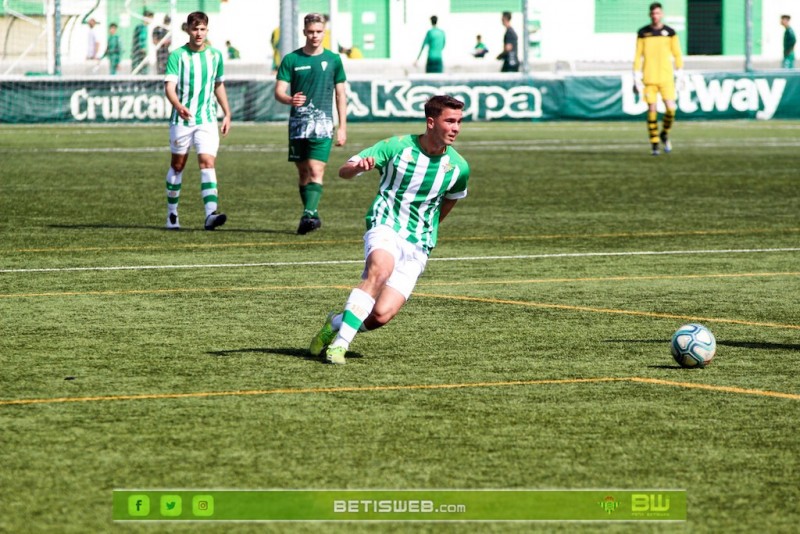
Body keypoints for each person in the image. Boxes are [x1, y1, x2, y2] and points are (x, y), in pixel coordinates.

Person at [309, 95, 470, 365]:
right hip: (386, 224)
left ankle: (335, 323)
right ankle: (340, 345)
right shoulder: (397, 146)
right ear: (431, 122)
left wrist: (427, 230)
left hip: (418, 243)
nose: (456, 128)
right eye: (450, 121)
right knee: (379, 271)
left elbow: (451, 200)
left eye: (459, 122)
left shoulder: (458, 167)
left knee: (381, 315)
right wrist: (358, 167)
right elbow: (343, 171)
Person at [274, 12, 347, 235]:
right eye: (311, 32)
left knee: (316, 168)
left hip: (323, 124)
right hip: (298, 125)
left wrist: (342, 126)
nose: (315, 36)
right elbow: (279, 92)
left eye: (319, 32)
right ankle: (311, 214)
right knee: (303, 171)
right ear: (304, 32)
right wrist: (289, 99)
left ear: (324, 32)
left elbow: (340, 94)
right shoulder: (291, 59)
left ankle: (309, 214)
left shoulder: (334, 60)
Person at [163, 11, 231, 231]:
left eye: (202, 29)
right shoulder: (177, 56)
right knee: (178, 165)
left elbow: (218, 84)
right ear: (188, 30)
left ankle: (210, 214)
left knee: (207, 163)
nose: (199, 33)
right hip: (181, 120)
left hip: (207, 120)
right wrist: (178, 105)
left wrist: (227, 113)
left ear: (207, 30)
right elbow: (169, 87)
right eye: (195, 29)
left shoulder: (216, 56)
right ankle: (172, 214)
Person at [633, 2, 683, 156]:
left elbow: (677, 54)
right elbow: (638, 56)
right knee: (652, 110)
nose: (655, 16)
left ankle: (664, 133)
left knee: (671, 109)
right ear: (650, 15)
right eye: (653, 14)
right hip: (649, 78)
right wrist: (636, 77)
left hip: (666, 77)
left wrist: (679, 74)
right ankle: (654, 143)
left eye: (658, 13)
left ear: (662, 14)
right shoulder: (643, 33)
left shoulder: (670, 33)